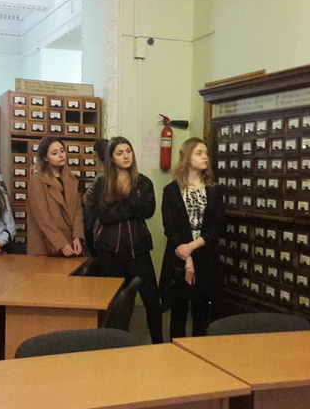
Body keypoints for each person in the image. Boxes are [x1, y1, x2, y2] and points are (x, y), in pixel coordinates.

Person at [87, 136, 162, 344]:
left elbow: (148, 211)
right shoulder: (102, 182)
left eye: (128, 151)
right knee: (114, 303)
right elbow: (104, 216)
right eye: (120, 153)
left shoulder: (143, 182)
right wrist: (131, 205)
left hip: (138, 249)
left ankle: (159, 343)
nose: (126, 156)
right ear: (111, 158)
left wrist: (123, 204)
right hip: (110, 250)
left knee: (152, 300)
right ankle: (114, 344)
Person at [159, 138, 224, 339]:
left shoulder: (214, 190)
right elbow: (170, 228)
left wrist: (192, 247)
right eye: (199, 153)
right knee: (178, 313)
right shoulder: (171, 191)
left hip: (206, 257)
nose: (205, 157)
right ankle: (175, 354)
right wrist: (187, 258)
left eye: (206, 153)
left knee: (202, 314)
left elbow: (217, 227)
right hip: (179, 259)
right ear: (187, 157)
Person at [26, 136, 84, 257]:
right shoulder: (37, 180)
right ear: (45, 158)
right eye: (54, 153)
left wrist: (77, 236)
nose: (60, 155)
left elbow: (78, 211)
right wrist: (61, 243)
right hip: (46, 245)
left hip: (70, 243)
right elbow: (42, 217)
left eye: (62, 151)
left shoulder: (71, 180)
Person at [82, 137, 108, 256]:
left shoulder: (101, 178)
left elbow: (88, 202)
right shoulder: (114, 177)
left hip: (94, 227)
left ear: (94, 155)